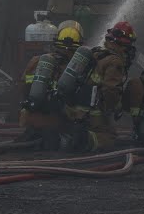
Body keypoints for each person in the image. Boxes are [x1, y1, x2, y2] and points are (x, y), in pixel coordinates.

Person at [58, 21, 139, 152]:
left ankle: (71, 134)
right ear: (123, 44)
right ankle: (83, 140)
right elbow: (110, 91)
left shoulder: (96, 53)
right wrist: (112, 109)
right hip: (91, 116)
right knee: (110, 138)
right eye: (128, 46)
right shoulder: (115, 61)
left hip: (72, 111)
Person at [16, 23, 83, 149]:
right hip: (56, 123)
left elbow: (22, 87)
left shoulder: (37, 60)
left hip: (30, 120)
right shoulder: (72, 70)